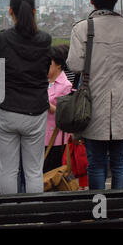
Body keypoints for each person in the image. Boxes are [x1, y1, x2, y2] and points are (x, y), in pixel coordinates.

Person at [66, 0, 123, 190]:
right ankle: (118, 210)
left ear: (91, 0)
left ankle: (99, 212)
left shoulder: (82, 28)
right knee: (120, 161)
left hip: (94, 104)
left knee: (97, 163)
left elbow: (73, 65)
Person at [0, 0, 52, 194]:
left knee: (7, 170)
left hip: (7, 109)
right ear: (35, 11)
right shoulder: (45, 40)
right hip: (35, 110)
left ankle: (10, 214)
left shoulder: (3, 39)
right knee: (34, 171)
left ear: (10, 11)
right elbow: (45, 72)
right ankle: (34, 215)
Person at [44, 45, 73, 173]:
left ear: (58, 65)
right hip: (40, 135)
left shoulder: (66, 85)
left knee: (53, 174)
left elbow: (67, 113)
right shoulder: (42, 81)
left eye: (49, 63)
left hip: (57, 139)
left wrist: (48, 106)